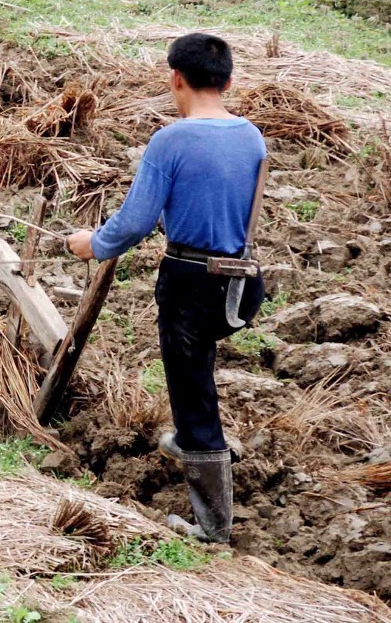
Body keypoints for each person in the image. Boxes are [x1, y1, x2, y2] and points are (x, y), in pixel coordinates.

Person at [67, 32, 266, 544]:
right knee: (197, 373)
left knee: (191, 387)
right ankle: (191, 440)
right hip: (243, 281)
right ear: (228, 81)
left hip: (192, 281)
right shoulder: (251, 137)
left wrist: (94, 243)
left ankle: (212, 525)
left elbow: (135, 222)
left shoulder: (171, 141)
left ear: (176, 78)